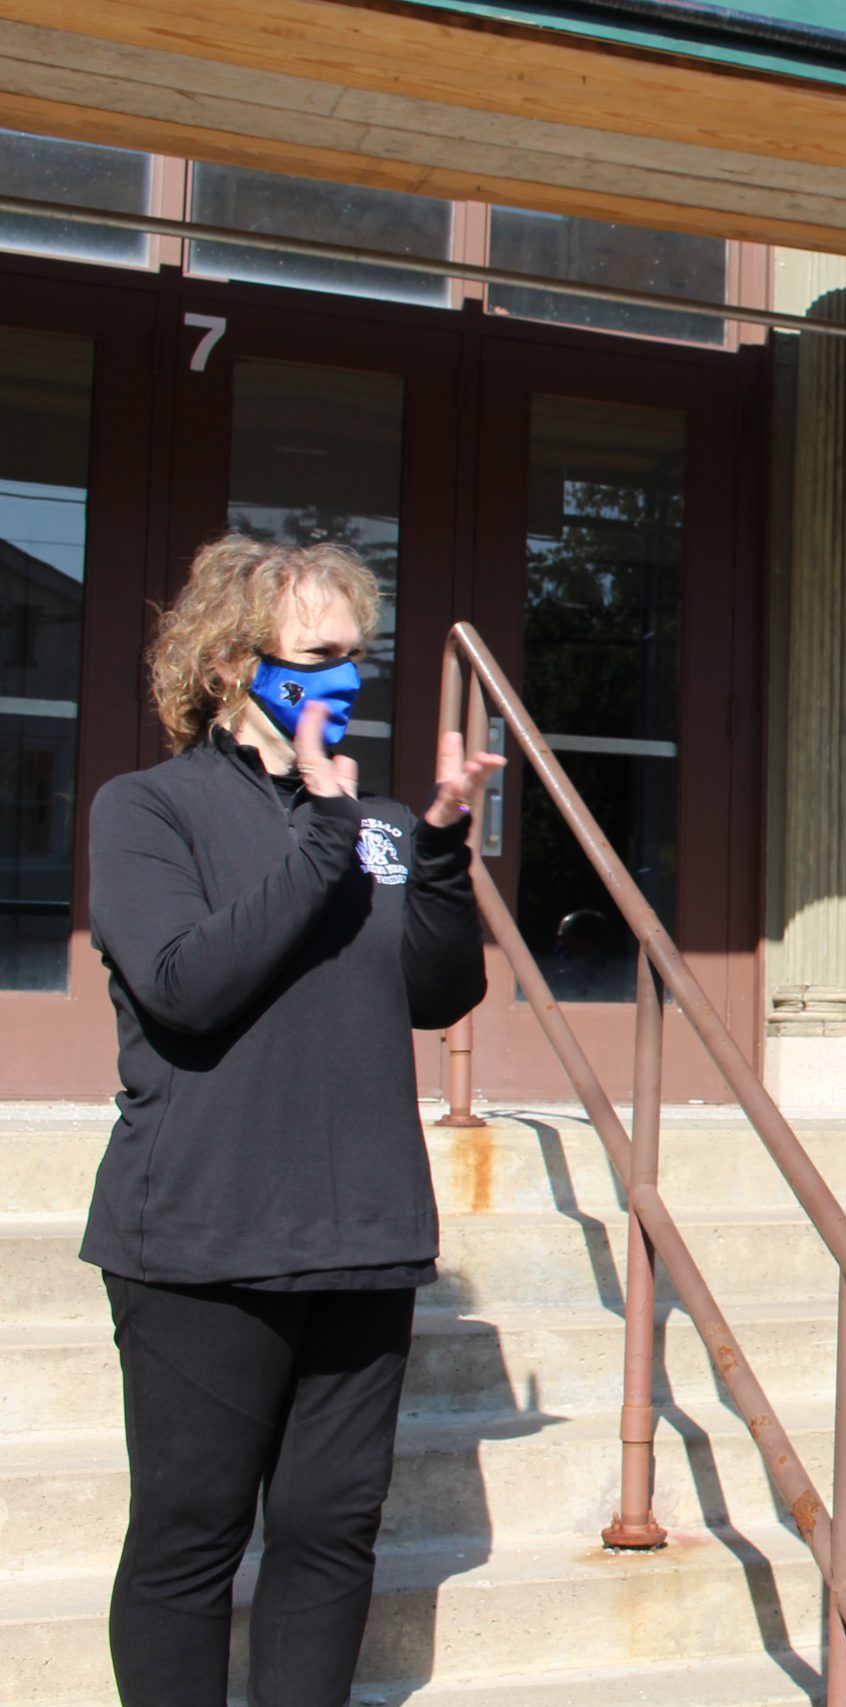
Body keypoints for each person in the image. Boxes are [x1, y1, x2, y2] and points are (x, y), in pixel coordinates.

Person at [82, 535, 501, 1706]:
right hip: (202, 1239)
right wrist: (323, 833)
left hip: (357, 1230)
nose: (345, 678)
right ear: (231, 664)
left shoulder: (368, 823)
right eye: (317, 655)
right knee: (190, 1533)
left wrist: (440, 851)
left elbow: (438, 993)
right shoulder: (147, 810)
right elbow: (183, 983)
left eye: (357, 655)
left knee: (328, 1532)